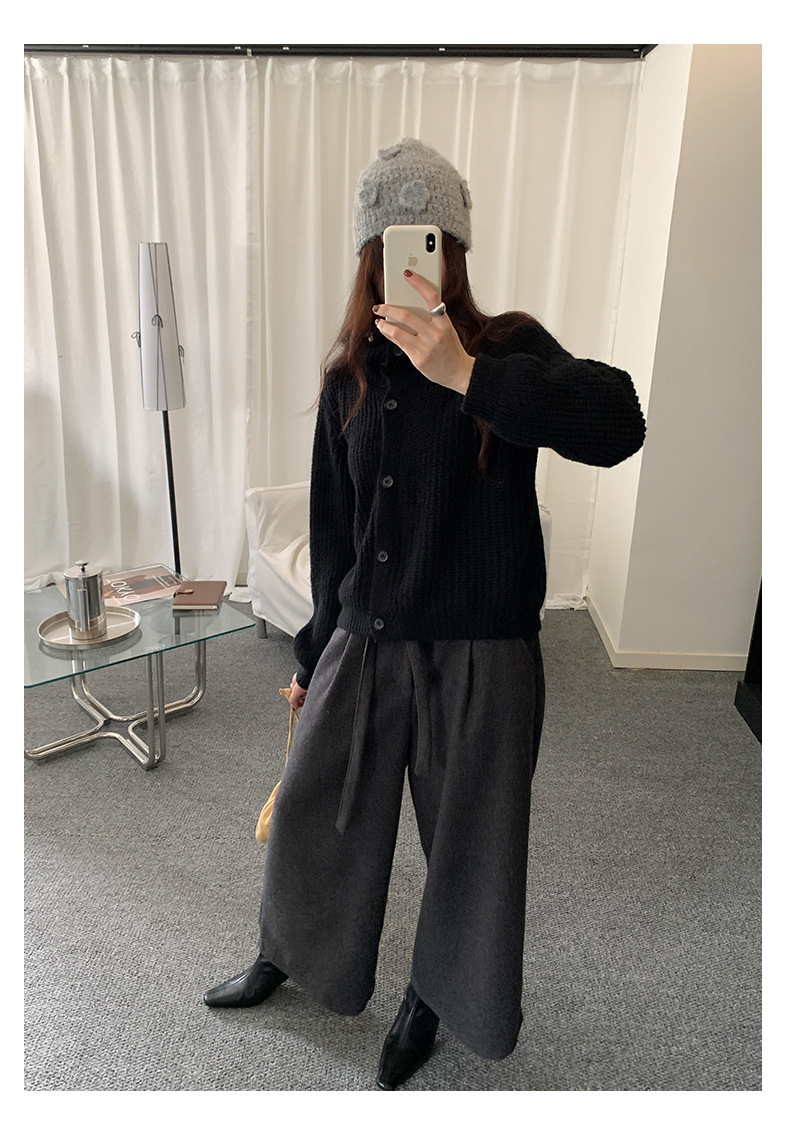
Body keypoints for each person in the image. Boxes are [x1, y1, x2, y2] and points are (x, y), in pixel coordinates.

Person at [204, 138, 646, 1089]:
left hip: (483, 655)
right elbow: (336, 536)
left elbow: (619, 424)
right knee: (315, 809)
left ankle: (433, 999)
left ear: (456, 252)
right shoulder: (348, 378)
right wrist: (311, 656)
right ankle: (290, 953)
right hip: (364, 641)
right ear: (370, 255)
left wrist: (466, 375)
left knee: (470, 847)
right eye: (392, 244)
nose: (409, 262)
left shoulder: (508, 350)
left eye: (431, 242)